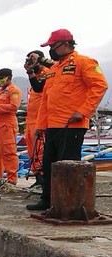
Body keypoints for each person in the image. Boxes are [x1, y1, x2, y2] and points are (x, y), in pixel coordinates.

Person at [25, 29, 108, 210]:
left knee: (68, 164)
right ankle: (48, 199)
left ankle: (68, 203)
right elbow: (46, 99)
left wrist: (83, 111)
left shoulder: (83, 62)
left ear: (65, 44)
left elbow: (100, 85)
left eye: (53, 46)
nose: (51, 50)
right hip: (53, 125)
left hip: (72, 125)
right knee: (49, 164)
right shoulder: (54, 69)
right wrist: (40, 125)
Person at [23, 50, 55, 186]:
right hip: (30, 120)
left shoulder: (47, 73)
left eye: (33, 59)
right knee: (31, 150)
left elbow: (38, 88)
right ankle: (37, 178)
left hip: (40, 120)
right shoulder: (34, 77)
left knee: (40, 150)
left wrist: (31, 72)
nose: (30, 62)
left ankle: (43, 180)